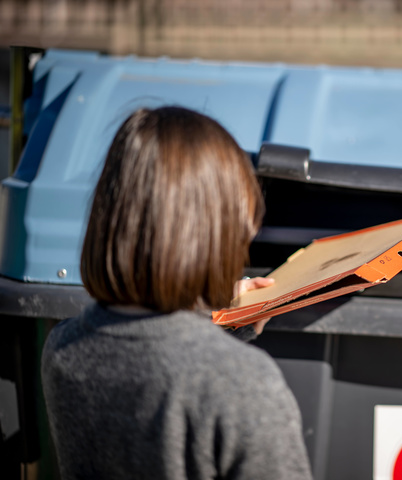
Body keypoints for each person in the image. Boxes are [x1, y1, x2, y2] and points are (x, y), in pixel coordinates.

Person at [41, 107, 313, 480]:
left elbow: (154, 354)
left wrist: (214, 318)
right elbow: (189, 372)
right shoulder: (243, 382)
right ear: (216, 234)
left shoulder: (63, 347)